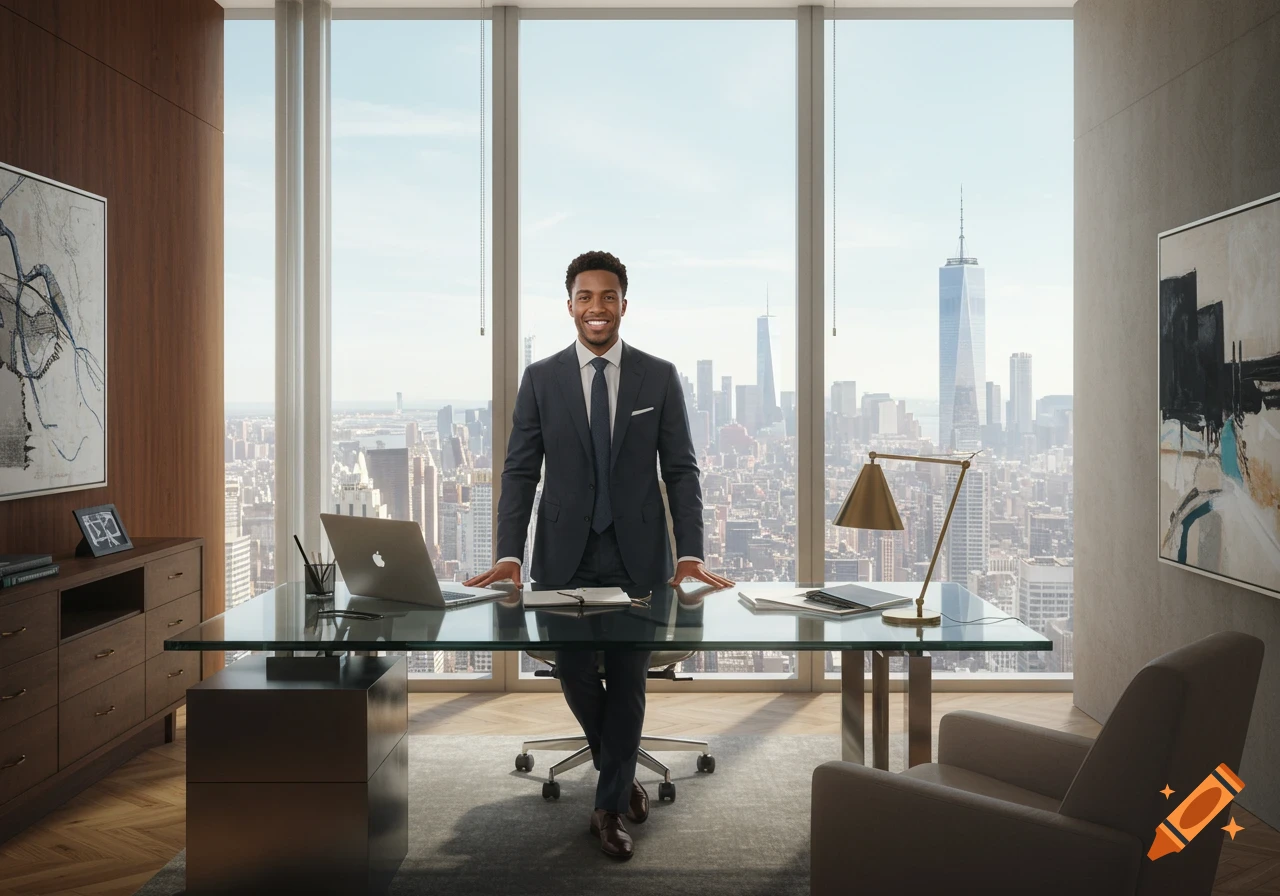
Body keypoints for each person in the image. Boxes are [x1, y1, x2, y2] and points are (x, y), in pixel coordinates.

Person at [465, 250, 734, 860]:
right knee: (575, 668)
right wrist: (509, 553)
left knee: (630, 673)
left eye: (607, 297)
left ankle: (607, 808)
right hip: (563, 555)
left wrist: (689, 553)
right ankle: (622, 770)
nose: (596, 308)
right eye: (585, 297)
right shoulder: (541, 379)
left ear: (623, 306)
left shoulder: (658, 377)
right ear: (570, 306)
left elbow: (683, 471)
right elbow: (518, 472)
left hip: (639, 558)